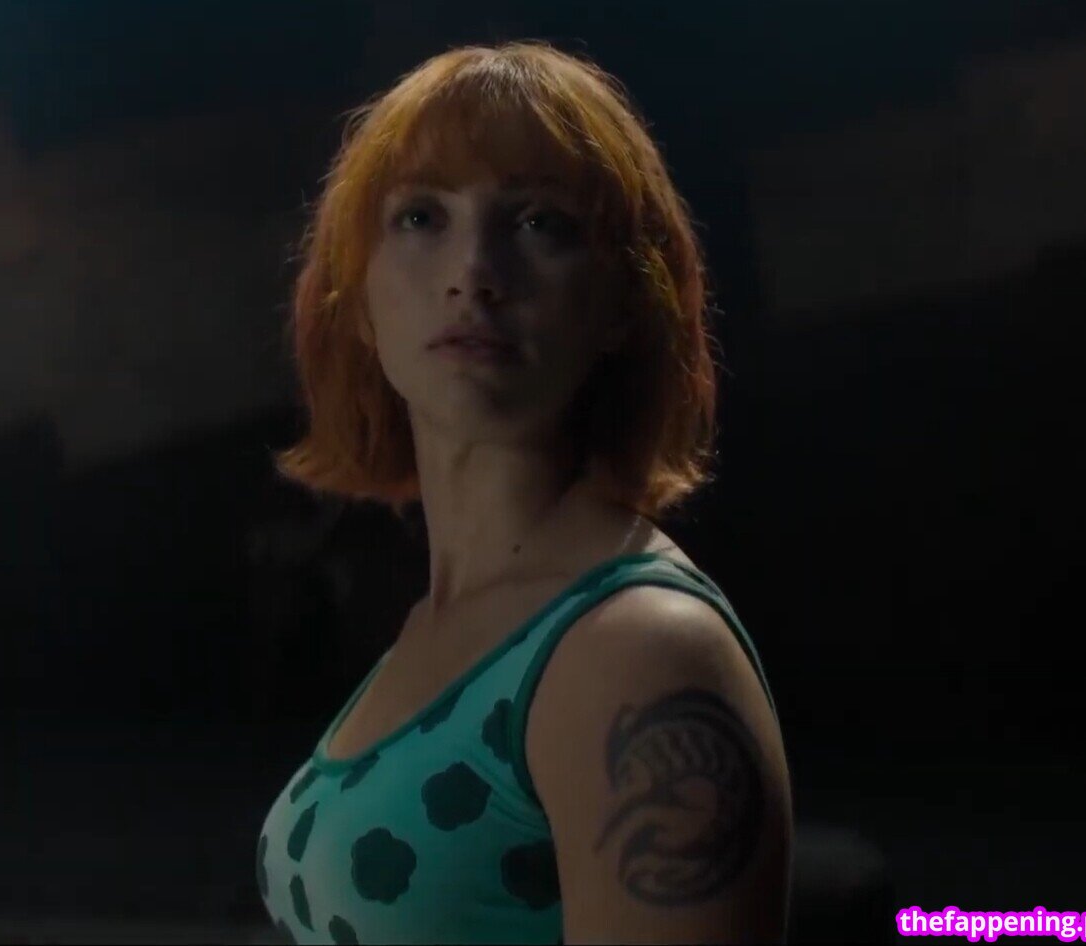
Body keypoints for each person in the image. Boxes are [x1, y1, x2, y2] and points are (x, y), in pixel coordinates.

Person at [257, 39, 792, 944]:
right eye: (421, 217)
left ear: (624, 304)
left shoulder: (638, 650)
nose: (474, 271)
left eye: (542, 222)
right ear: (360, 298)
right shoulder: (442, 620)